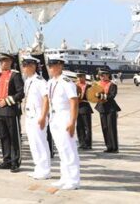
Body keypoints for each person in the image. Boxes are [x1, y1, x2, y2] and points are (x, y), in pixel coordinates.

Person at [46, 58, 80, 190]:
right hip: (55, 117)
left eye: (53, 65)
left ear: (60, 66)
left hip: (65, 116)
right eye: (50, 66)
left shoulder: (66, 81)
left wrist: (72, 121)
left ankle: (73, 180)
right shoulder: (51, 82)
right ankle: (65, 177)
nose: (51, 68)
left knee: (69, 149)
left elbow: (74, 102)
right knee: (61, 149)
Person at [0, 52, 25, 172]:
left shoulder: (15, 75)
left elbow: (21, 93)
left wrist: (7, 101)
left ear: (10, 62)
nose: (2, 63)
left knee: (14, 137)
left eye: (5, 61)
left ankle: (15, 162)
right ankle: (6, 160)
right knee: (4, 137)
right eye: (1, 61)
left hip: (10, 110)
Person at [21, 56, 50, 180]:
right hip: (29, 116)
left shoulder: (40, 81)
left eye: (25, 66)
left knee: (40, 143)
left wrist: (43, 116)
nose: (23, 68)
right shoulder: (28, 80)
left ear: (32, 66)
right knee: (33, 144)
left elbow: (46, 99)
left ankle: (45, 170)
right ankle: (38, 168)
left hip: (38, 116)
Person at [95, 69, 121, 153]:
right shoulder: (97, 84)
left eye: (104, 75)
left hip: (110, 108)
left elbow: (111, 96)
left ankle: (114, 147)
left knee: (111, 128)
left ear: (108, 75)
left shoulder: (112, 84)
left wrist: (101, 96)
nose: (102, 76)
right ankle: (108, 146)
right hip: (101, 108)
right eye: (101, 75)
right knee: (105, 127)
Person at [74, 71, 93, 150]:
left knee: (87, 127)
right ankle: (81, 143)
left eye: (81, 76)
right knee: (79, 126)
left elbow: (91, 97)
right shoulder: (74, 85)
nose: (79, 78)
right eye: (78, 77)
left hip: (85, 107)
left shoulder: (88, 86)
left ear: (84, 77)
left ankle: (88, 144)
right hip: (77, 107)